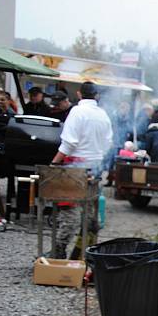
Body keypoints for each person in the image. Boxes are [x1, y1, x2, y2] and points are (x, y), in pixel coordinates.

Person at [50, 81, 113, 259]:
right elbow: (108, 143)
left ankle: (59, 252)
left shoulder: (77, 112)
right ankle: (83, 255)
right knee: (90, 215)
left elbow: (69, 143)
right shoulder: (103, 115)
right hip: (95, 168)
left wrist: (54, 164)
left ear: (79, 94)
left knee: (70, 213)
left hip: (75, 167)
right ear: (97, 96)